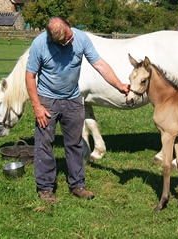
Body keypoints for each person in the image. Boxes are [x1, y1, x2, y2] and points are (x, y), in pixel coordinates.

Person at [26, 17, 129, 204]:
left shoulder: (80, 38)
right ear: (54, 39)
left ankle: (78, 185)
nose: (70, 40)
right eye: (66, 40)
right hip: (47, 100)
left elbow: (100, 64)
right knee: (44, 144)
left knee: (74, 143)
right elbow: (30, 76)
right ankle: (46, 188)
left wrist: (119, 85)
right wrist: (37, 106)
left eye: (69, 34)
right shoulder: (40, 44)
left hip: (73, 99)